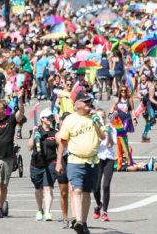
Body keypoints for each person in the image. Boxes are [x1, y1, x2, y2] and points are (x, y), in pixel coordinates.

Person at [56, 92, 105, 234]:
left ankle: (83, 222)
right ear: (77, 104)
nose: (89, 104)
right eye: (86, 101)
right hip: (75, 160)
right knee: (76, 190)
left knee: (86, 192)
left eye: (90, 101)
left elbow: (102, 136)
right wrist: (59, 162)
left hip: (92, 161)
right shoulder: (70, 120)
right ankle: (77, 220)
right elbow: (63, 142)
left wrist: (96, 122)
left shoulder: (94, 117)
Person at [28, 110, 59, 221]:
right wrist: (33, 134)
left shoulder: (55, 132)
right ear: (42, 119)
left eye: (52, 117)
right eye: (48, 117)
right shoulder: (37, 130)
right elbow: (29, 147)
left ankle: (47, 212)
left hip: (51, 162)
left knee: (48, 187)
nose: (50, 119)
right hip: (36, 163)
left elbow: (60, 148)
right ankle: (40, 209)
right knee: (38, 189)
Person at [92, 111, 116, 223]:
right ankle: (98, 205)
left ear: (105, 118)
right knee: (96, 187)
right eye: (99, 117)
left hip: (109, 158)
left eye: (102, 117)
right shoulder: (93, 129)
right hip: (97, 158)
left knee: (106, 185)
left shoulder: (111, 129)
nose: (101, 119)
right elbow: (93, 145)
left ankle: (105, 212)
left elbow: (110, 144)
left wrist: (109, 133)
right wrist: (100, 133)